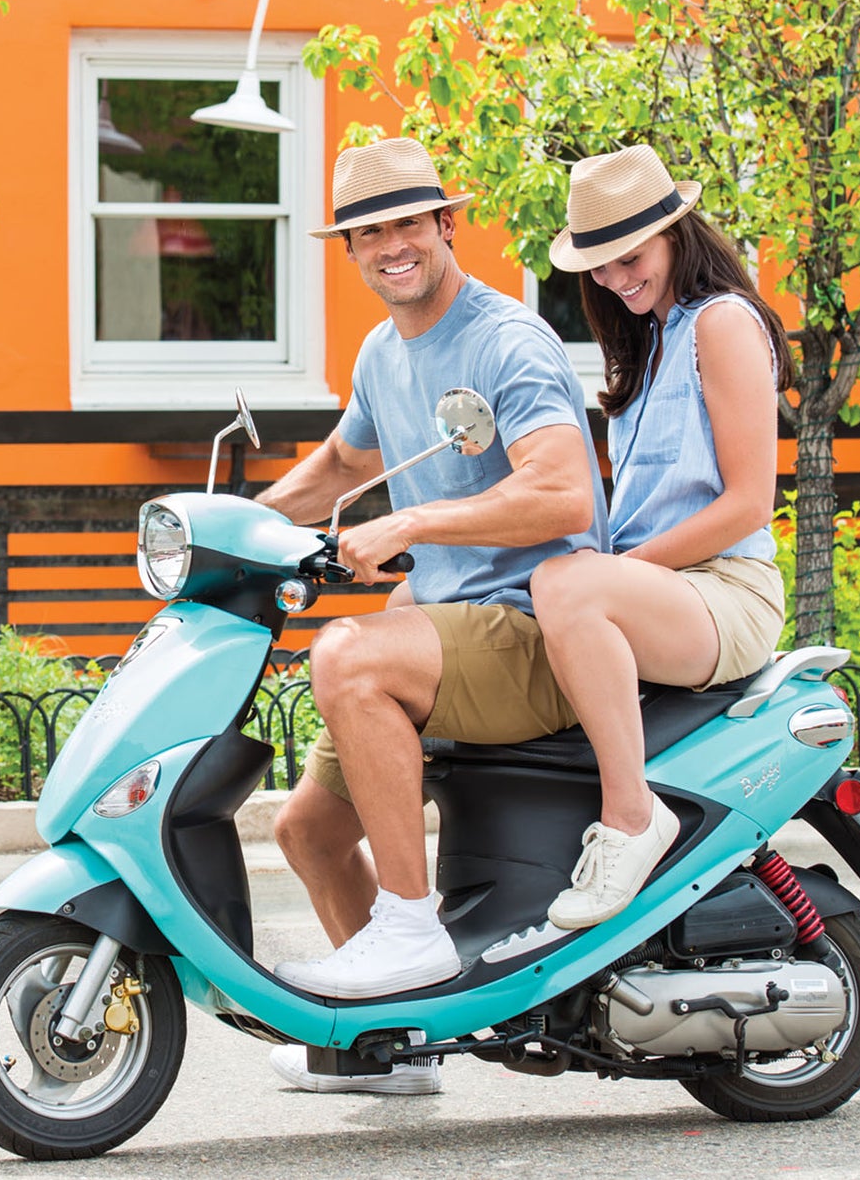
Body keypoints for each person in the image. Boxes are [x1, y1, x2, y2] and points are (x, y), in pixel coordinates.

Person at [254, 136, 608, 1093]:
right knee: (306, 832)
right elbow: (340, 464)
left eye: (407, 223)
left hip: (535, 626)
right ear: (351, 252)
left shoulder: (505, 338)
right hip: (455, 626)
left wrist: (409, 520)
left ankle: (409, 931)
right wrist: (237, 525)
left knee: (348, 657)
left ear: (446, 223)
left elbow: (564, 493)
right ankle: (392, 1049)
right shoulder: (382, 350)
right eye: (367, 233)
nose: (390, 246)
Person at [531, 144, 793, 931]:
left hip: (725, 593)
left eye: (629, 257)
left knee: (566, 582)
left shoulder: (720, 323)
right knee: (541, 580)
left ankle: (631, 817)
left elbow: (749, 502)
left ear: (676, 232)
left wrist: (610, 572)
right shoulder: (647, 343)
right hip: (660, 590)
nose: (614, 279)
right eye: (599, 268)